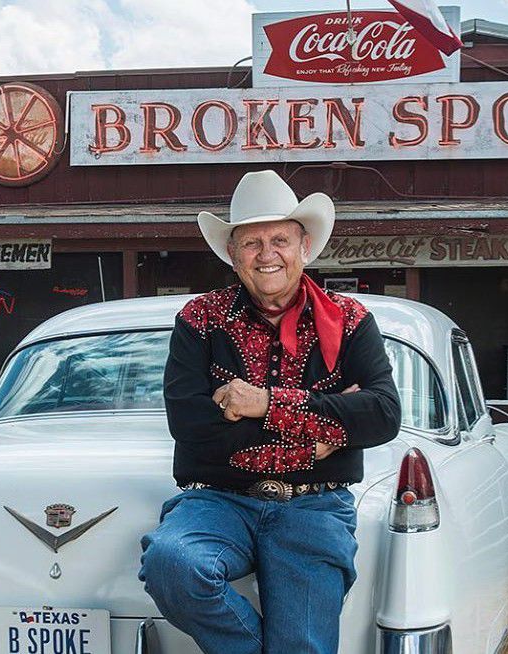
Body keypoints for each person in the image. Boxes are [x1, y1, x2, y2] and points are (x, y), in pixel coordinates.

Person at [139, 170, 402, 654]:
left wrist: (261, 403)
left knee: (302, 643)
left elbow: (383, 414)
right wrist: (325, 428)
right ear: (233, 254)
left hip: (315, 504)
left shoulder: (353, 321)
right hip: (217, 500)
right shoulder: (199, 319)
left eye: (280, 239)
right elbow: (190, 426)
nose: (266, 255)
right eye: (251, 243)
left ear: (304, 246)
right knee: (172, 564)